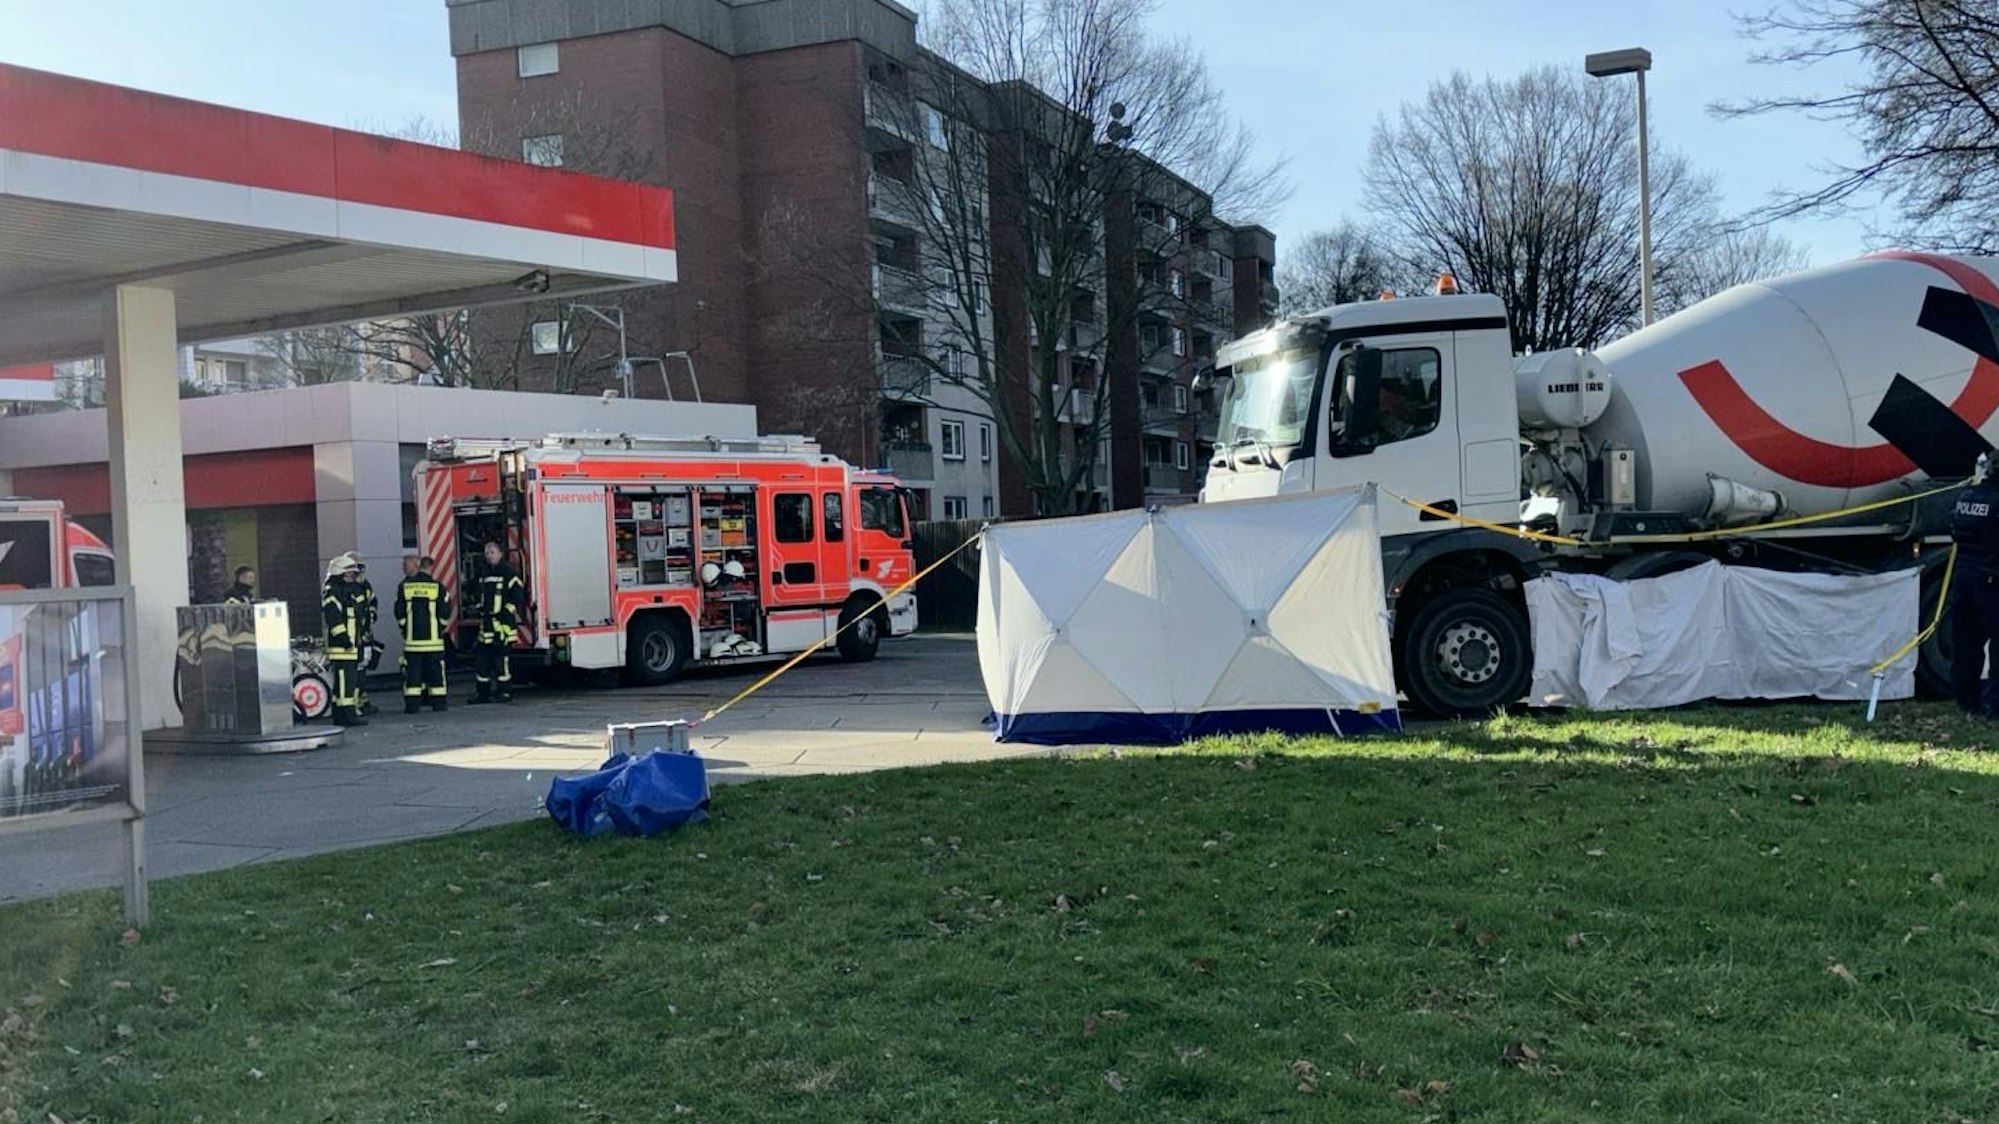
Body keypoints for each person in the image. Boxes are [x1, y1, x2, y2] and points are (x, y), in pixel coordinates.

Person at [1950, 452, 1999, 717]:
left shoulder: (1966, 497)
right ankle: (1995, 706)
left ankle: (1967, 703)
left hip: (1964, 576)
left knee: (1966, 644)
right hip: (1992, 579)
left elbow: (1954, 530)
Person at [395, 555, 451, 714]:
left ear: (416, 565)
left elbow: (399, 612)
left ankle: (412, 706)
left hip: (413, 642)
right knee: (436, 674)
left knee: (413, 674)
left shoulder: (405, 587)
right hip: (434, 642)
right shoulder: (437, 587)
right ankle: (439, 704)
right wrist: (439, 629)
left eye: (406, 564)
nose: (403, 568)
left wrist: (405, 630)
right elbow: (445, 611)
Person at [472, 541, 525, 704]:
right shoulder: (484, 573)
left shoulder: (508, 572)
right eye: (487, 552)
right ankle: (483, 694)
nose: (489, 555)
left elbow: (518, 596)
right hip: (487, 625)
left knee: (501, 662)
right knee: (482, 661)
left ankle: (504, 693)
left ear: (501, 554)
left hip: (503, 625)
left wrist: (506, 611)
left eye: (492, 552)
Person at [321, 555, 370, 727]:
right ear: (339, 573)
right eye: (348, 573)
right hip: (341, 647)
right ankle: (347, 716)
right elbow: (333, 618)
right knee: (345, 682)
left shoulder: (347, 590)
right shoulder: (332, 591)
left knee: (347, 682)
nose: (351, 577)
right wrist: (345, 640)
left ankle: (341, 714)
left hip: (350, 645)